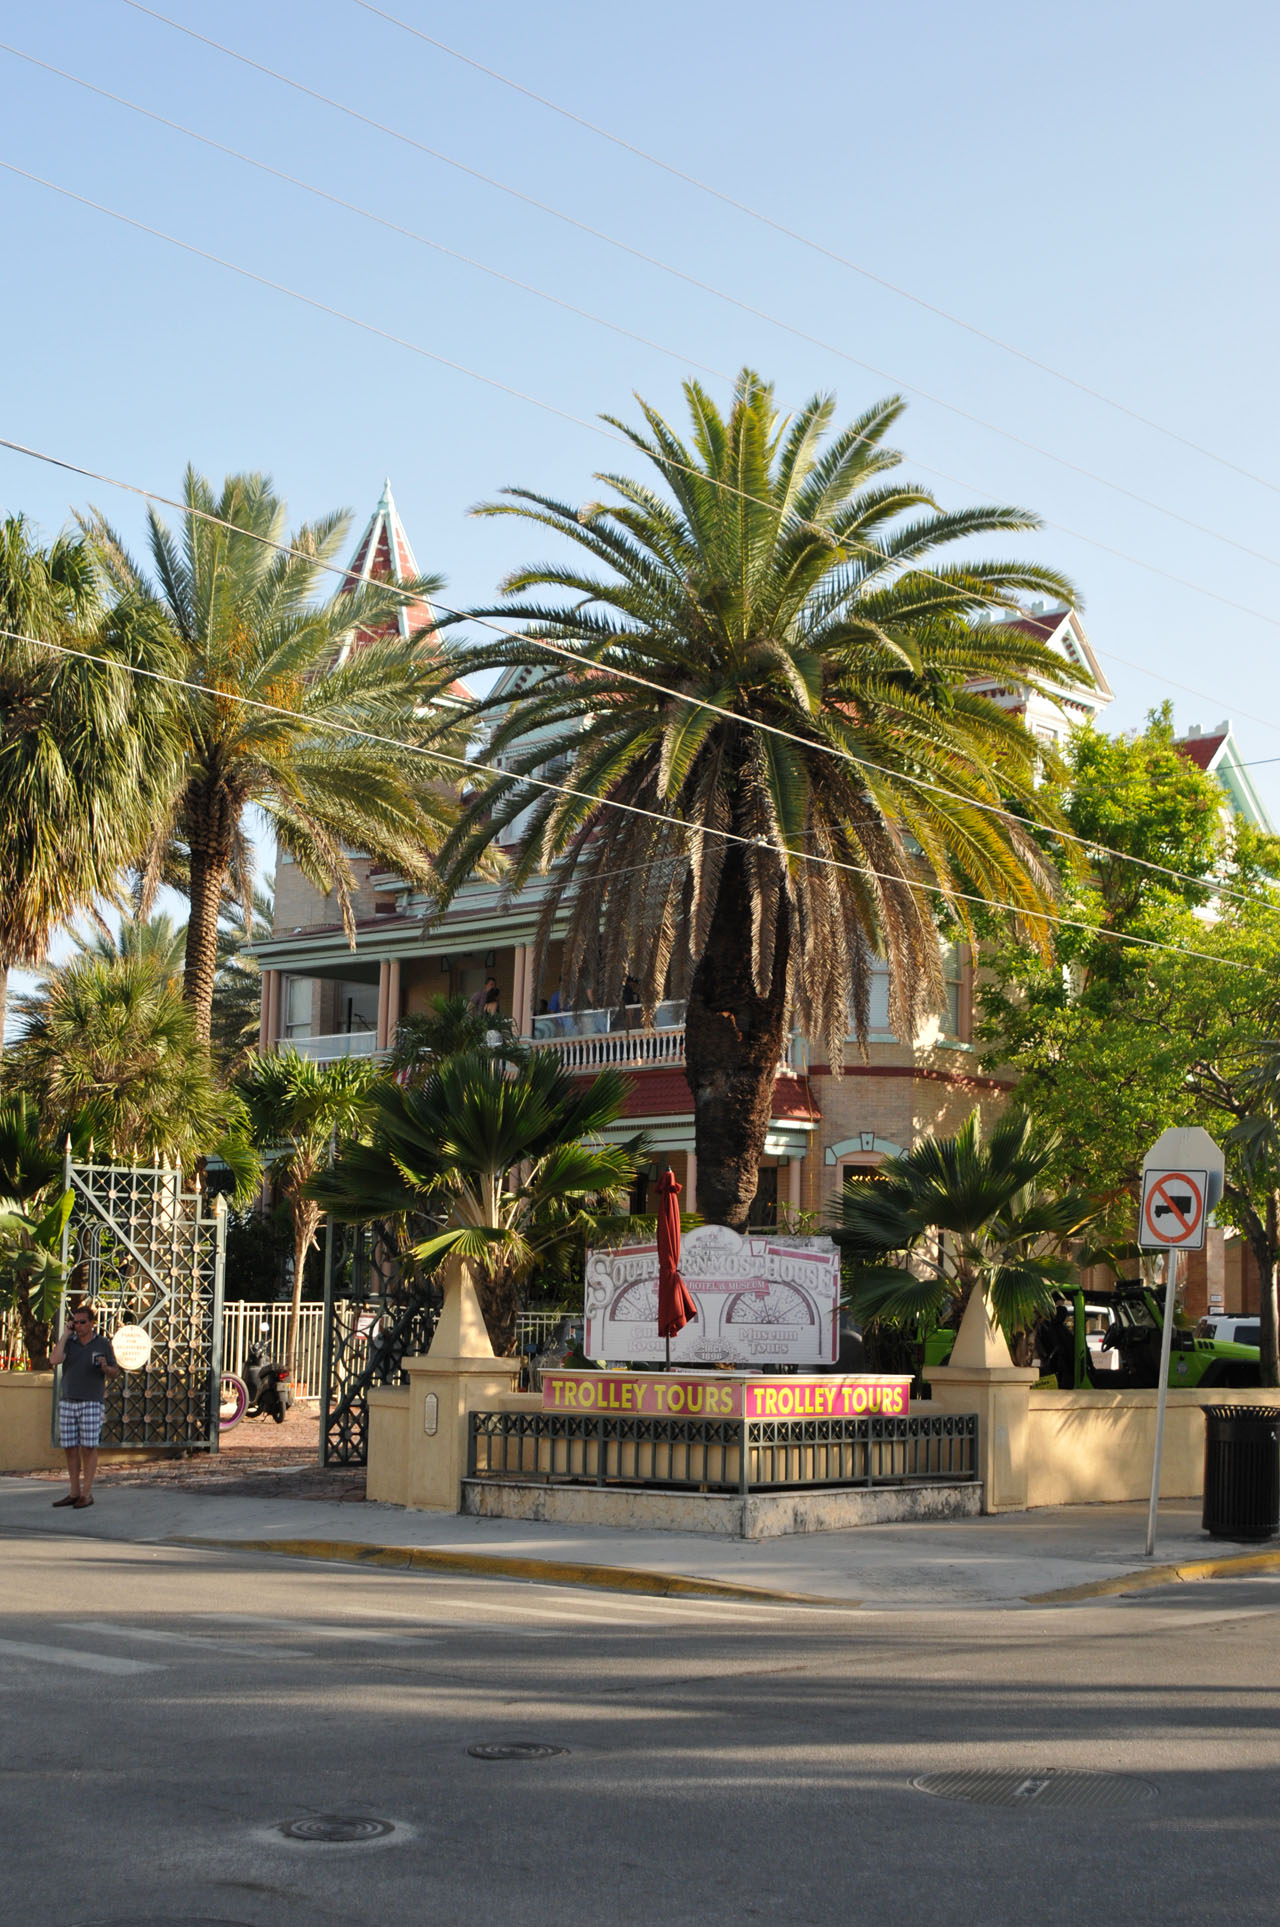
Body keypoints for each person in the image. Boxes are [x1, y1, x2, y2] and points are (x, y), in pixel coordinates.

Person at [49, 1302, 119, 1509]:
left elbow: (115, 1372)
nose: (78, 1326)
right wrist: (65, 1335)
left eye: (82, 1322)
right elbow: (54, 1360)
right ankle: (74, 1492)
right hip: (68, 1400)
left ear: (91, 1324)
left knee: (88, 1447)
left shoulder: (102, 1343)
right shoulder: (69, 1342)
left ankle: (86, 1493)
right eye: (75, 1322)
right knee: (70, 1448)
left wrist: (105, 1368)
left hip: (91, 1401)